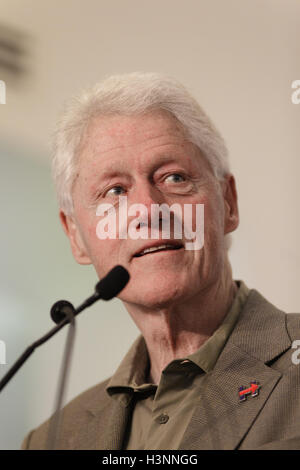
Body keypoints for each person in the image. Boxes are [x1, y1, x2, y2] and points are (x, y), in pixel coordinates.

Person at [22, 72, 300, 450]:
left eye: (174, 177)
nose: (148, 210)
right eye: (115, 191)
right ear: (76, 236)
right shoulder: (50, 440)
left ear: (228, 203)